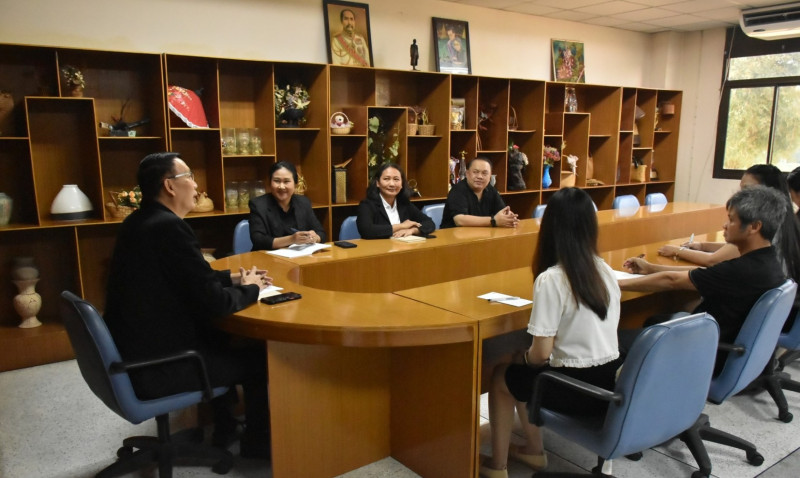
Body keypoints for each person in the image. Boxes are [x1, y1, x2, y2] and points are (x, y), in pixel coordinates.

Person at [104, 152, 272, 458]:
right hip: (160, 365)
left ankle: (225, 426)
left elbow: (191, 277)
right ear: (170, 186)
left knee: (220, 337)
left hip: (136, 352)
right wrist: (252, 289)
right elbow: (216, 304)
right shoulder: (169, 228)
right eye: (190, 177)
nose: (196, 186)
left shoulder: (140, 221)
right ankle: (257, 446)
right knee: (259, 357)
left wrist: (234, 277)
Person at [481, 188, 622, 478]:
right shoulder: (605, 270)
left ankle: (497, 467)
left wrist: (523, 358)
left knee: (503, 376)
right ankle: (533, 451)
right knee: (521, 372)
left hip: (575, 389)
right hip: (607, 385)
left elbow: (541, 355)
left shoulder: (552, 279)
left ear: (551, 228)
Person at [619, 186, 789, 375]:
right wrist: (651, 268)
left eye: (731, 220)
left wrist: (616, 283)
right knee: (655, 319)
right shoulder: (767, 261)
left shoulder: (742, 270)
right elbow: (703, 273)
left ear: (754, 227)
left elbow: (671, 280)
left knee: (616, 343)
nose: (725, 225)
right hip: (725, 347)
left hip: (707, 353)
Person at [658, 164, 800, 275]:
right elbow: (736, 248)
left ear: (766, 191)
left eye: (747, 189)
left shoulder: (761, 223)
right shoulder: (786, 218)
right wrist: (703, 245)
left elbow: (713, 260)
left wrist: (677, 250)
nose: (741, 194)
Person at [249, 161, 326, 250]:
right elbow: (258, 240)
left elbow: (321, 233)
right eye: (277, 181)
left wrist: (315, 238)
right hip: (267, 256)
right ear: (270, 183)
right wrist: (292, 239)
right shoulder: (258, 205)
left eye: (286, 181)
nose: (281, 186)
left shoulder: (303, 202)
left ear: (295, 183)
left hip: (299, 255)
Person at [356, 162, 434, 239]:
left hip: (402, 245)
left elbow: (429, 223)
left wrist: (413, 230)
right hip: (380, 246)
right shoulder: (367, 205)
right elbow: (366, 230)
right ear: (378, 183)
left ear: (402, 184)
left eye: (396, 179)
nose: (392, 184)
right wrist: (402, 226)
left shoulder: (404, 204)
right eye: (386, 179)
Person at [440, 157, 519, 229]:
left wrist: (509, 218)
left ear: (490, 176)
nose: (480, 176)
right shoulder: (458, 190)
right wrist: (493, 221)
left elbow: (503, 212)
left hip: (482, 234)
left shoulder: (490, 190)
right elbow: (460, 220)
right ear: (467, 174)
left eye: (484, 173)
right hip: (454, 236)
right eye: (475, 172)